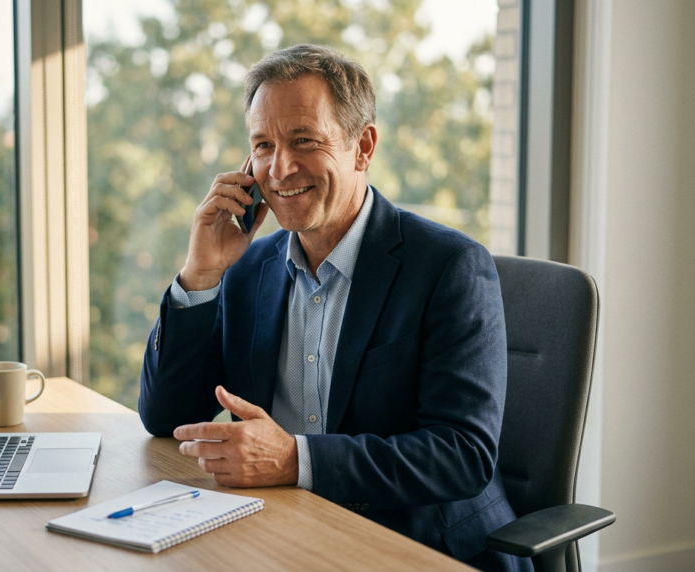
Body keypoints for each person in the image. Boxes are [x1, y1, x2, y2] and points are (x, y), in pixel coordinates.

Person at [139, 44, 531, 572]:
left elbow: (462, 455)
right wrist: (200, 275)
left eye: (304, 140)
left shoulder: (450, 267)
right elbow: (166, 417)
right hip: (281, 535)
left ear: (362, 147)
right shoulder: (247, 270)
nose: (280, 169)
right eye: (263, 145)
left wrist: (294, 460)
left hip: (417, 546)